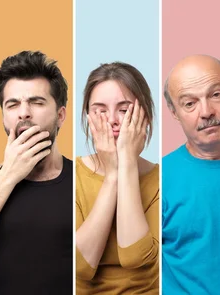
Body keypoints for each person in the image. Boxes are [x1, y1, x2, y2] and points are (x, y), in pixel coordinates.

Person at [0, 51, 72, 294]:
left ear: (60, 116)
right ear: (4, 117)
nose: (24, 112)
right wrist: (9, 175)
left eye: (36, 102)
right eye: (12, 104)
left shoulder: (82, 180)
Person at [161, 54, 220, 294]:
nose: (206, 111)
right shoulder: (157, 179)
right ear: (174, 113)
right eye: (190, 103)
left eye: (216, 95)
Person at [75, 62, 159, 294]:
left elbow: (134, 256)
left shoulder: (163, 179)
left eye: (124, 110)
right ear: (88, 117)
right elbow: (79, 266)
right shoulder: (71, 174)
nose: (112, 119)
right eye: (100, 110)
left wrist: (128, 163)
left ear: (146, 116)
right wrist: (112, 175)